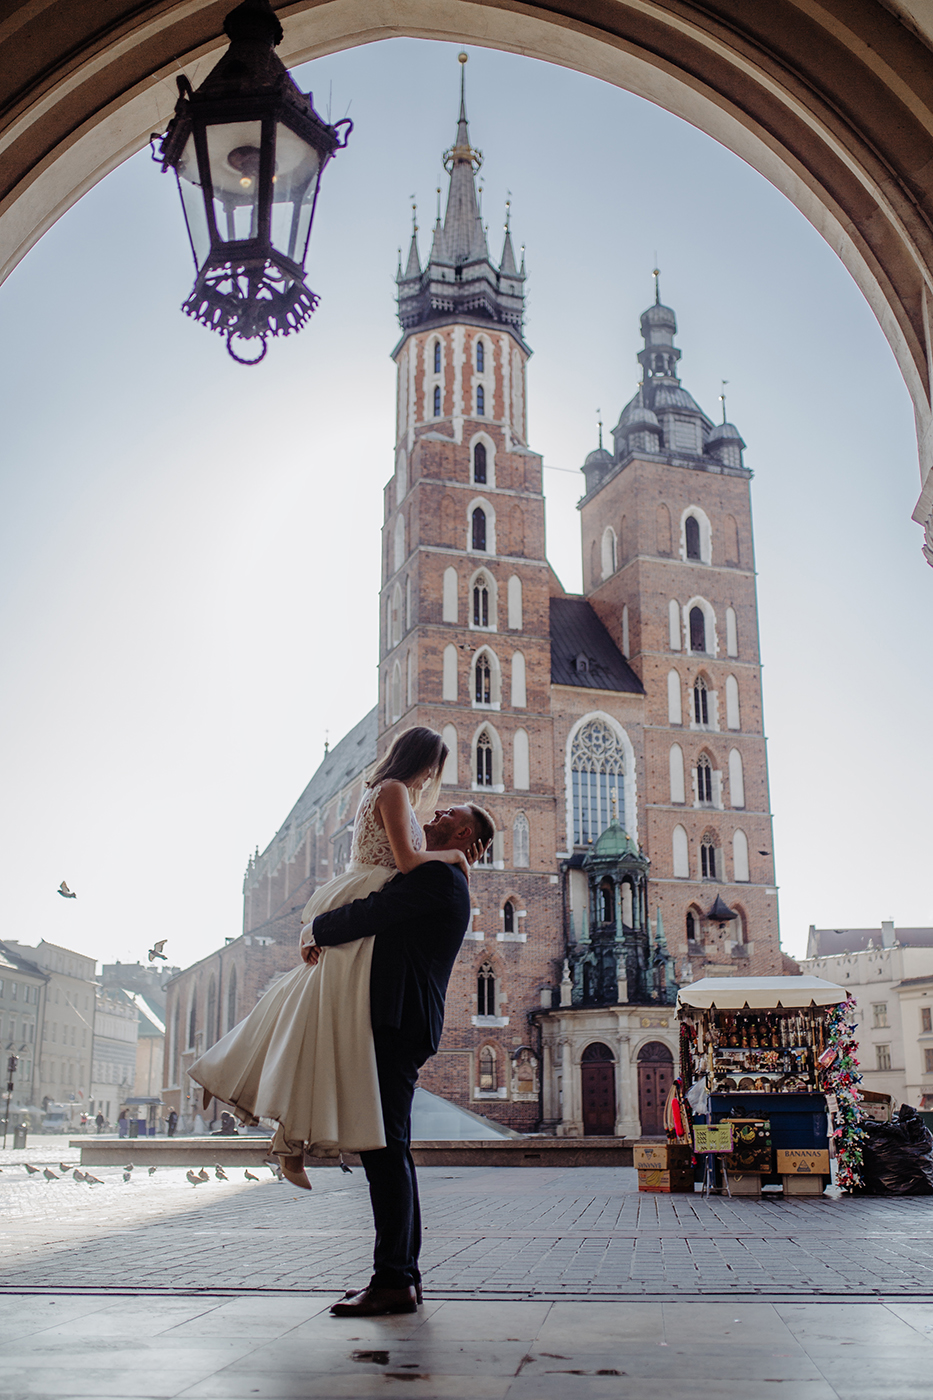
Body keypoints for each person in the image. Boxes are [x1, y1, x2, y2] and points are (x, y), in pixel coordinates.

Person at [188, 727, 484, 1189]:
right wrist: (453, 856)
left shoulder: (394, 794)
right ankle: (244, 1090)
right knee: (318, 1016)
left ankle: (280, 1129)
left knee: (313, 1015)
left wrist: (452, 857)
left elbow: (413, 869)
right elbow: (409, 863)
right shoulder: (393, 790)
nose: (432, 781)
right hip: (363, 897)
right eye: (432, 768)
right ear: (418, 759)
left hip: (367, 903)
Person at [313, 800, 495, 1318]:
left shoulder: (438, 878)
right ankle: (402, 1277)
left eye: (448, 813)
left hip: (398, 1022)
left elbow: (373, 912)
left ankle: (394, 1278)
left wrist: (315, 928)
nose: (434, 814)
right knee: (390, 1149)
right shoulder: (445, 877)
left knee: (385, 1150)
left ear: (463, 833)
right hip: (406, 1022)